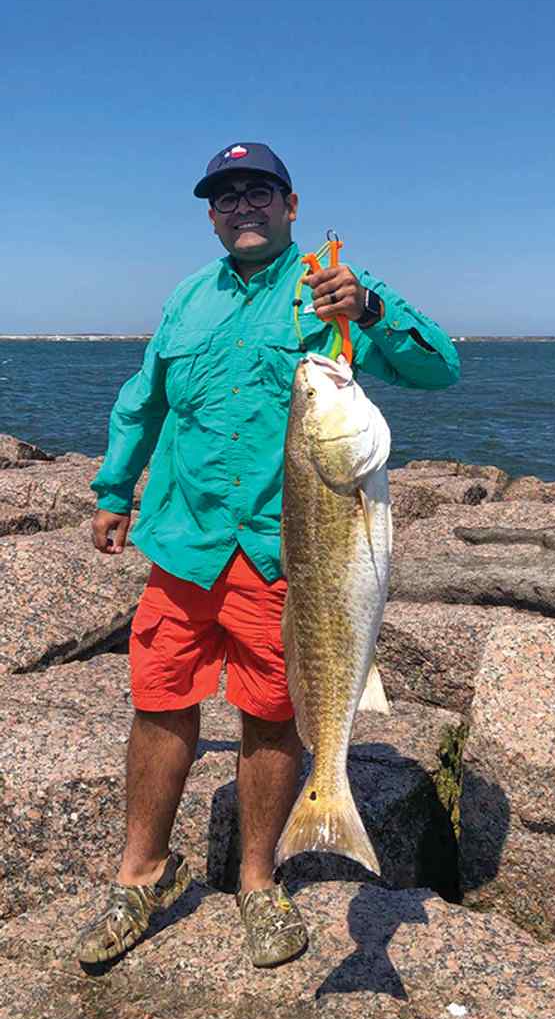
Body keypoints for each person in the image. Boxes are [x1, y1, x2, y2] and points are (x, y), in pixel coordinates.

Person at [78, 141, 460, 970]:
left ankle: (258, 879)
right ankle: (141, 874)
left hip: (285, 552)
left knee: (272, 711)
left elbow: (440, 368)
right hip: (184, 541)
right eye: (225, 196)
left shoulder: (334, 286)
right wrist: (114, 489)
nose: (242, 206)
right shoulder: (187, 298)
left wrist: (368, 310)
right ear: (211, 216)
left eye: (259, 192)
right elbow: (143, 400)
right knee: (159, 701)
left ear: (291, 205)